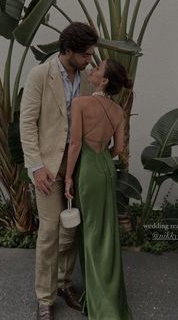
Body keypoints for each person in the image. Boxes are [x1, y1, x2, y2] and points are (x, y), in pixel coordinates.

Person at [19, 22, 98, 320]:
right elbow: (27, 123)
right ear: (68, 51)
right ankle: (45, 297)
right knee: (50, 231)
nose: (90, 60)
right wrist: (36, 166)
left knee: (71, 228)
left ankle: (64, 283)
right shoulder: (40, 75)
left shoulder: (87, 78)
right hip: (48, 166)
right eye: (85, 55)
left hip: (79, 163)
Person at [65, 59, 133, 320]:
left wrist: (69, 177)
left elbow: (74, 143)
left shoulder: (80, 103)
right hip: (105, 168)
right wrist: (103, 150)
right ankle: (109, 292)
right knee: (106, 231)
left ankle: (100, 301)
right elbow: (118, 149)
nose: (91, 70)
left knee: (91, 233)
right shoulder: (118, 111)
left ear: (104, 81)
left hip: (88, 170)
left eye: (97, 69)